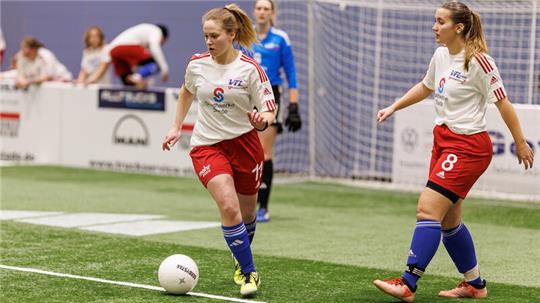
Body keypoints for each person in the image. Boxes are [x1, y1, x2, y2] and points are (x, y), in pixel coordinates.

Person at [372, 2, 534, 302]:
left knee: (427, 209)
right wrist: (394, 106)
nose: (434, 27)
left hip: (468, 146)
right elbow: (426, 86)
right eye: (435, 21)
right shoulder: (440, 54)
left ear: (458, 26)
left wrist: (521, 142)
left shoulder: (481, 62)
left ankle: (407, 283)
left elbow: (503, 103)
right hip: (443, 141)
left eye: (440, 22)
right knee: (448, 220)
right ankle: (475, 283)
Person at [162, 4, 275, 298]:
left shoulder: (251, 69)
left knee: (247, 213)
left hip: (245, 144)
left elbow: (269, 112)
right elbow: (187, 91)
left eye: (215, 36)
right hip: (207, 146)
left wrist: (262, 121)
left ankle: (240, 256)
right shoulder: (197, 64)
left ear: (232, 34)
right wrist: (176, 126)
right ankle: (249, 272)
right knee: (228, 206)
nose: (209, 42)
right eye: (206, 37)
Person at [251, 0, 301, 223]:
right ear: (254, 12)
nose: (262, 12)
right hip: (246, 93)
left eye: (266, 9)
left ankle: (263, 206)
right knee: (245, 150)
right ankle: (246, 202)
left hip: (271, 94)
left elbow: (291, 72)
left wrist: (293, 105)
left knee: (263, 152)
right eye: (259, 8)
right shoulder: (245, 36)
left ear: (272, 13)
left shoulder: (280, 38)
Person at [90, 23, 169, 89]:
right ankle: (136, 77)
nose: (161, 43)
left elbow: (105, 63)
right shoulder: (156, 31)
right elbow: (155, 48)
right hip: (126, 47)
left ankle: (134, 79)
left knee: (130, 86)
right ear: (163, 37)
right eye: (163, 42)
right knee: (155, 65)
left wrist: (90, 80)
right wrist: (164, 69)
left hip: (114, 53)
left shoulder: (137, 37)